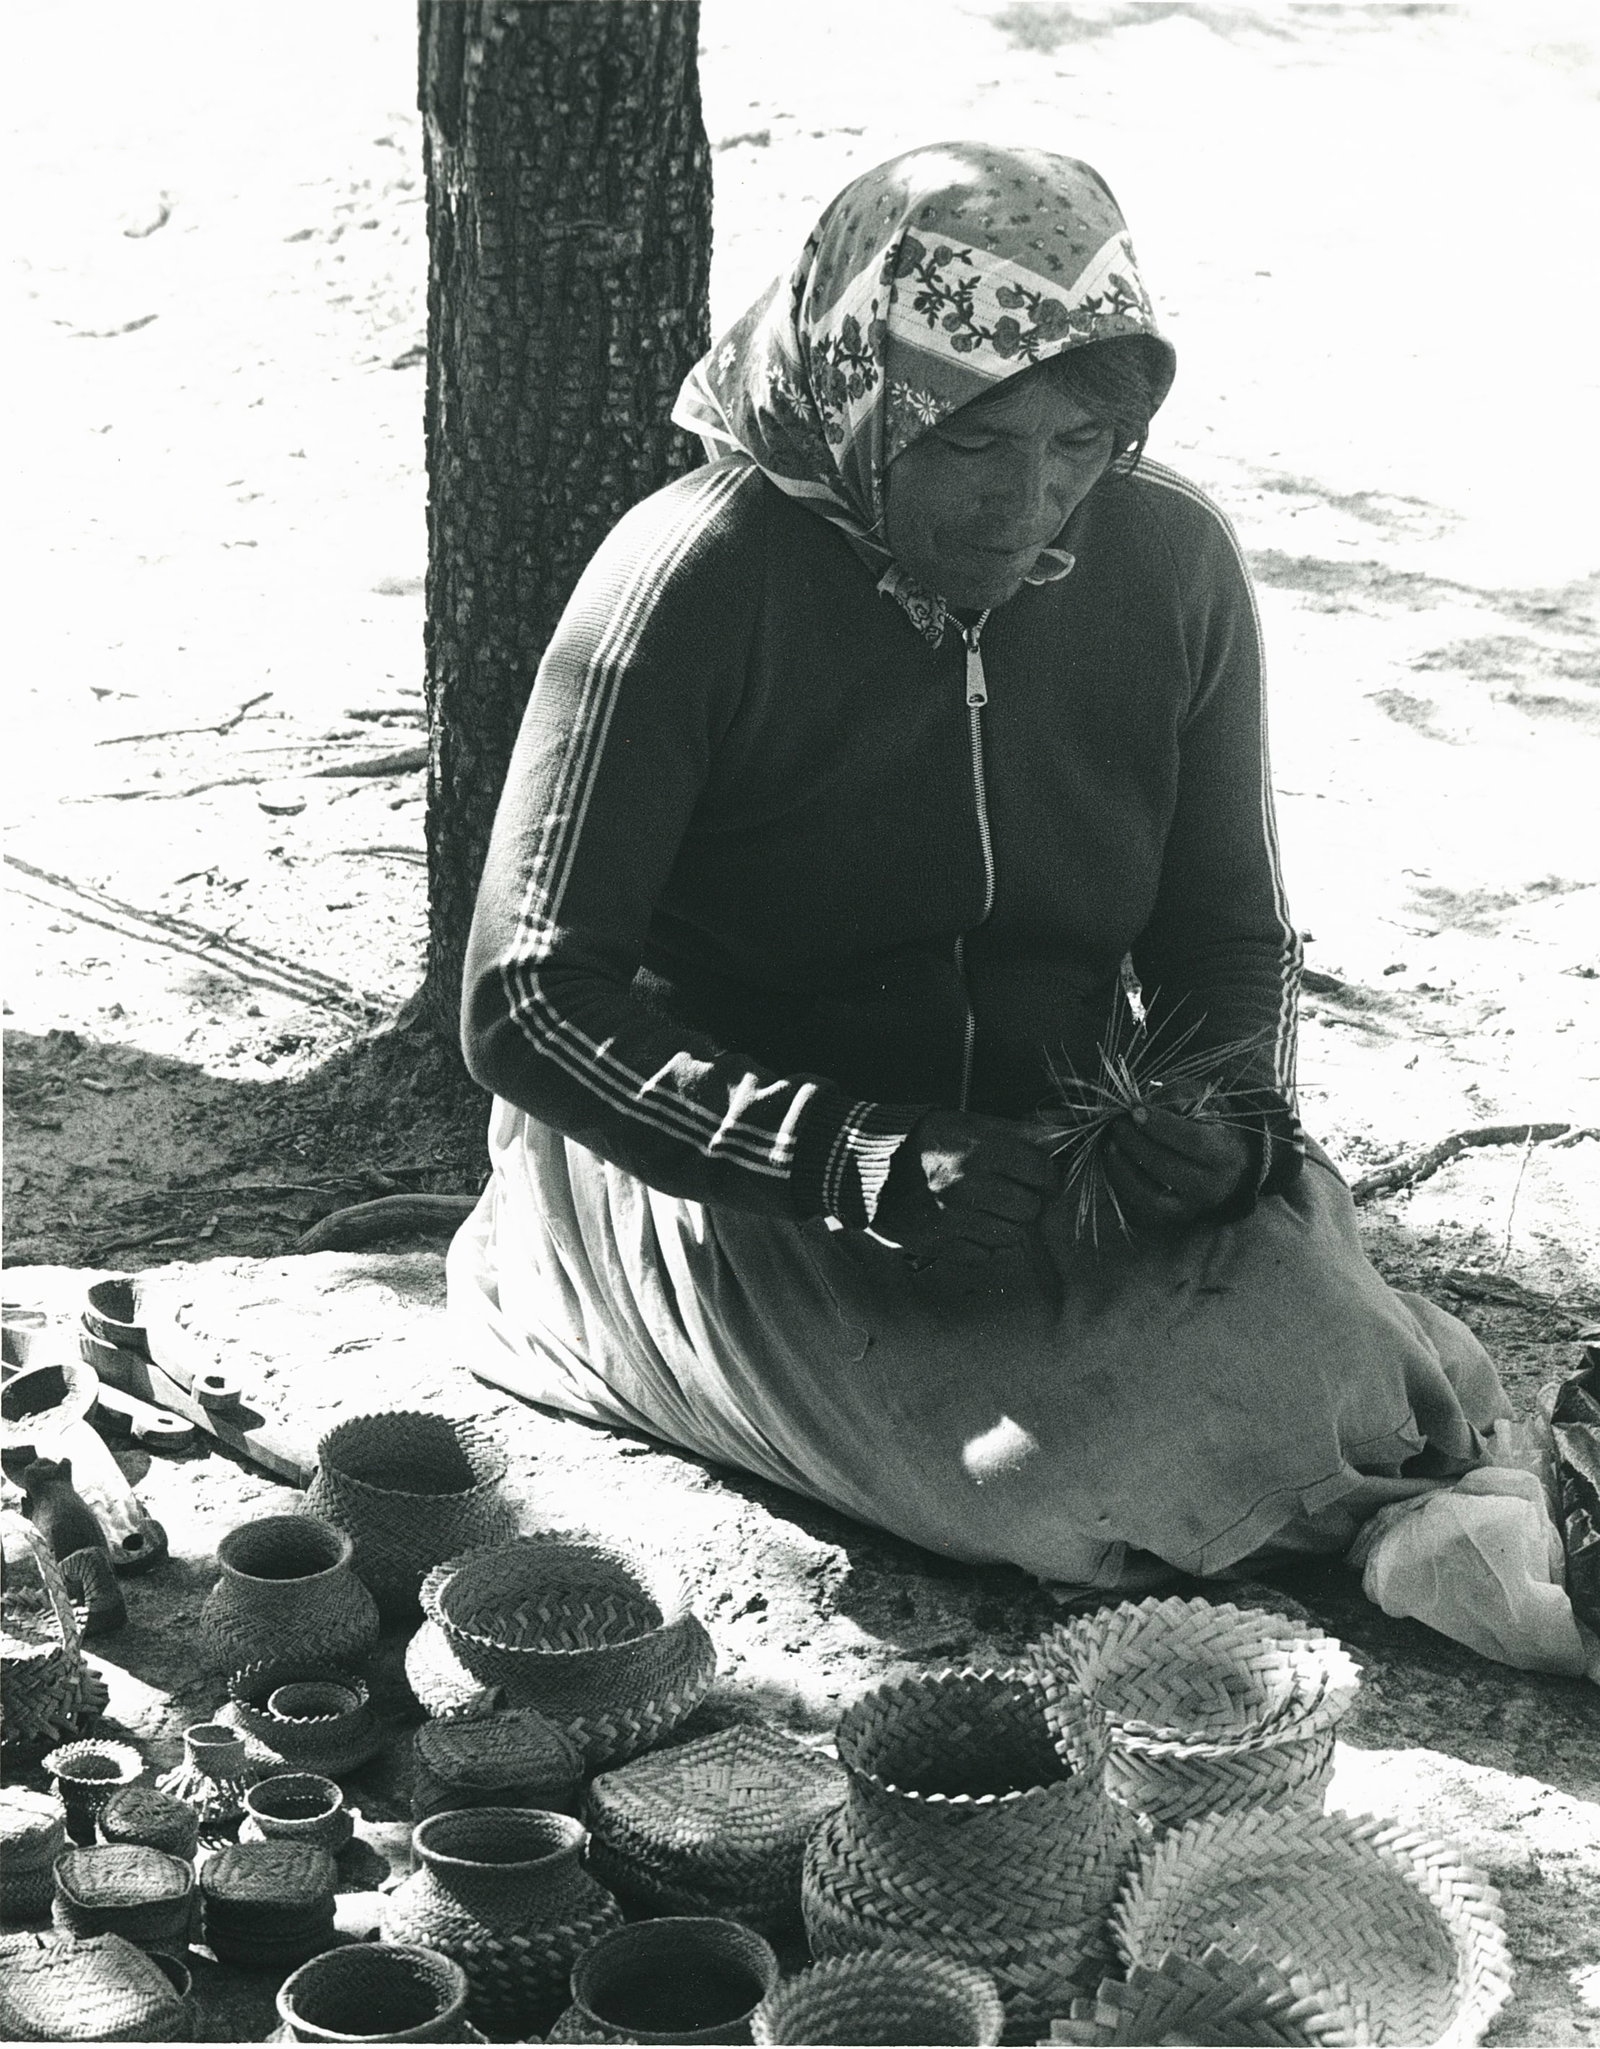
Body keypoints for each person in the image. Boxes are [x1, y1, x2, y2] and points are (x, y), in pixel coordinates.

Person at [447, 141, 1509, 1591]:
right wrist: (844, 1153)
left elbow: (1225, 935)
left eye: (1079, 450)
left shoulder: (1171, 563)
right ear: (865, 400)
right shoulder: (694, 578)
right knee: (1054, 1498)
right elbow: (528, 1001)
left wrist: (1219, 1117)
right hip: (749, 1186)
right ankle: (560, 1283)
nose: (1031, 508)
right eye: (971, 448)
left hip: (1052, 1159)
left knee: (1377, 1402)